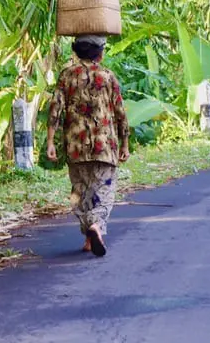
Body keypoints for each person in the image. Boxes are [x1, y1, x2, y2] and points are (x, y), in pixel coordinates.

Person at [46, 34, 130, 257]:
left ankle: (89, 235)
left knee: (80, 192)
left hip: (75, 145)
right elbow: (120, 112)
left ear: (75, 51)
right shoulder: (108, 76)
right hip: (105, 145)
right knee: (104, 190)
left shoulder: (66, 75)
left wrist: (50, 141)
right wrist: (125, 143)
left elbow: (55, 108)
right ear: (100, 54)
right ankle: (95, 228)